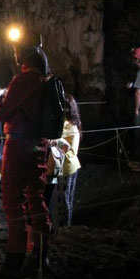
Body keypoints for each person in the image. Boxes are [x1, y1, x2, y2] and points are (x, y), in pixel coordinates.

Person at [0, 39, 51, 277]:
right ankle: (41, 256)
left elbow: (4, 113)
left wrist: (1, 100)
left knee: (12, 199)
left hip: (18, 142)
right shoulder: (47, 82)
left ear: (24, 57)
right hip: (40, 145)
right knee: (36, 196)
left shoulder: (23, 80)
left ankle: (14, 259)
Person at [58, 94, 82, 227]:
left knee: (64, 199)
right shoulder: (73, 124)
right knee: (68, 199)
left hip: (66, 166)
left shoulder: (66, 126)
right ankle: (67, 226)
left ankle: (64, 228)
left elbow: (69, 150)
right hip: (71, 166)